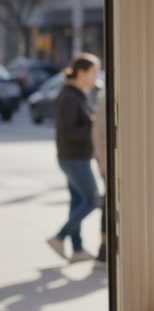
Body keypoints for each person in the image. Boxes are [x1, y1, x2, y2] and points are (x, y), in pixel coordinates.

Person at [47, 53, 101, 264]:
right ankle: (59, 237)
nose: (96, 76)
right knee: (92, 200)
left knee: (78, 201)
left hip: (77, 156)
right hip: (73, 157)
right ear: (81, 72)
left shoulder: (78, 94)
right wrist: (93, 124)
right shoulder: (69, 97)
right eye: (93, 72)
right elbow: (68, 132)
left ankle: (77, 249)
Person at [91, 87, 108, 265]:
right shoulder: (107, 95)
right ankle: (104, 247)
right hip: (109, 162)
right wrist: (103, 162)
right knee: (108, 203)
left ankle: (104, 248)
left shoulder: (104, 94)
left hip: (105, 160)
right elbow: (100, 133)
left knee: (107, 203)